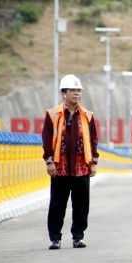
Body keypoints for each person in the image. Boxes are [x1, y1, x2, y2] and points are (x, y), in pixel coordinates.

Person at [42, 74, 99, 250]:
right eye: (73, 90)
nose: (77, 93)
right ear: (63, 93)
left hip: (82, 167)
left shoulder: (87, 115)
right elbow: (46, 139)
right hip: (60, 168)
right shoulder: (52, 114)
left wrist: (94, 162)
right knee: (57, 204)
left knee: (81, 205)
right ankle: (55, 238)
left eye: (78, 90)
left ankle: (78, 237)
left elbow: (93, 140)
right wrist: (49, 161)